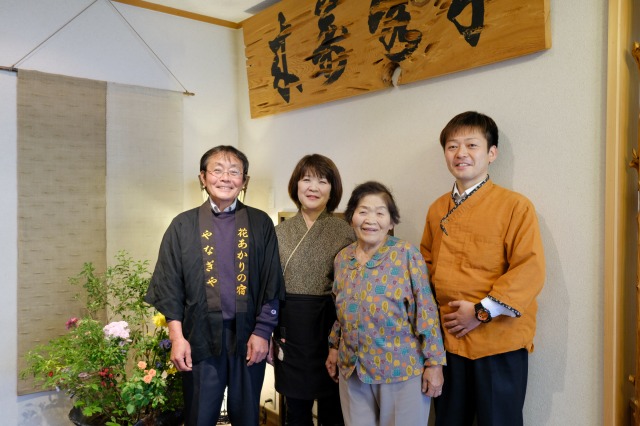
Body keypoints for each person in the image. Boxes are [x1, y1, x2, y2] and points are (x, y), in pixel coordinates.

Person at [420, 111, 546, 426]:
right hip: (449, 341)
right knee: (449, 421)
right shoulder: (437, 209)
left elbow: (529, 269)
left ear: (491, 153)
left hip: (498, 342)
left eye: (471, 145)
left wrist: (480, 312)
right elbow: (424, 268)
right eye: (452, 146)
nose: (461, 153)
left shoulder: (515, 206)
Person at [145, 145, 284, 426]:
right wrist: (177, 338)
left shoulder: (259, 223)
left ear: (244, 181)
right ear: (203, 177)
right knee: (199, 415)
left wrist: (262, 332)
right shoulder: (182, 225)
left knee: (247, 417)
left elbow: (272, 280)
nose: (225, 178)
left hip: (248, 337)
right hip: (200, 338)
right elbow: (170, 285)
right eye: (217, 170)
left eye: (234, 172)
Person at [326, 181, 446, 426]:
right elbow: (340, 310)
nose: (371, 219)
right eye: (363, 211)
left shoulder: (406, 255)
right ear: (351, 218)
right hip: (353, 369)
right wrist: (334, 346)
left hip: (400, 371)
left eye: (380, 213)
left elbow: (426, 312)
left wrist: (435, 363)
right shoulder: (342, 258)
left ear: (391, 222)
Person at [273, 154, 355, 426]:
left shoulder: (344, 231)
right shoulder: (278, 232)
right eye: (306, 179)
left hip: (329, 326)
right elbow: (268, 286)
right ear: (296, 185)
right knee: (295, 408)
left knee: (333, 406)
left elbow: (351, 288)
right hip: (289, 327)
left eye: (322, 180)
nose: (313, 187)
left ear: (332, 189)